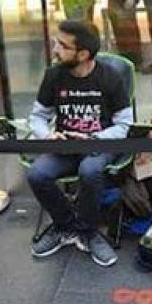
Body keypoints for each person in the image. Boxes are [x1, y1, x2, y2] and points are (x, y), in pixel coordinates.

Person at [27, 20, 132, 268]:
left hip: (99, 144)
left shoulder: (110, 77)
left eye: (62, 45)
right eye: (56, 42)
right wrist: (47, 136)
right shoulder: (54, 75)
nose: (54, 49)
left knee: (90, 170)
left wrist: (96, 138)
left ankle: (88, 231)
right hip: (64, 145)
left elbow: (125, 125)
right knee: (37, 174)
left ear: (83, 54)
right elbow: (38, 116)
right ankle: (65, 226)